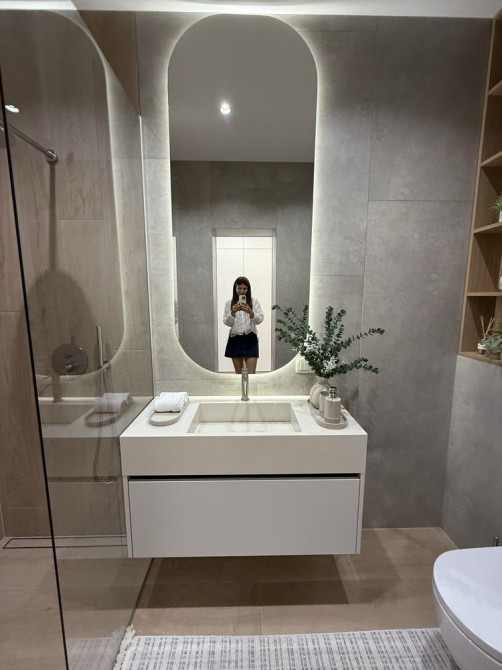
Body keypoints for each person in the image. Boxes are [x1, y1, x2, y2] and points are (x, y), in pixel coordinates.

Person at [223, 276, 264, 374]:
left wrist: (251, 312)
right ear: (235, 288)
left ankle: (250, 386)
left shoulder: (254, 301)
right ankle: (241, 385)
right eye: (239, 288)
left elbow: (260, 319)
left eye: (245, 288)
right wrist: (233, 312)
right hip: (235, 339)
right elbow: (227, 322)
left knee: (251, 374)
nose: (242, 291)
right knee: (239, 373)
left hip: (251, 339)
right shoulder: (229, 303)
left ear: (248, 289)